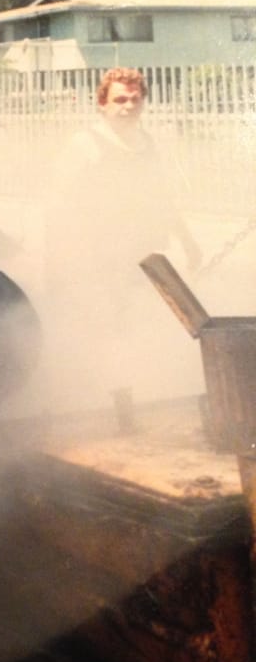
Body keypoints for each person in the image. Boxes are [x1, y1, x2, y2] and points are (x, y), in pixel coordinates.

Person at [42, 67, 202, 408]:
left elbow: (162, 196)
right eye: (119, 99)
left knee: (140, 324)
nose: (128, 106)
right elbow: (58, 205)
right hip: (95, 257)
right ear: (102, 103)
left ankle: (141, 395)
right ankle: (109, 404)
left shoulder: (146, 143)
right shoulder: (85, 144)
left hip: (141, 254)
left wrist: (187, 241)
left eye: (135, 99)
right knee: (105, 329)